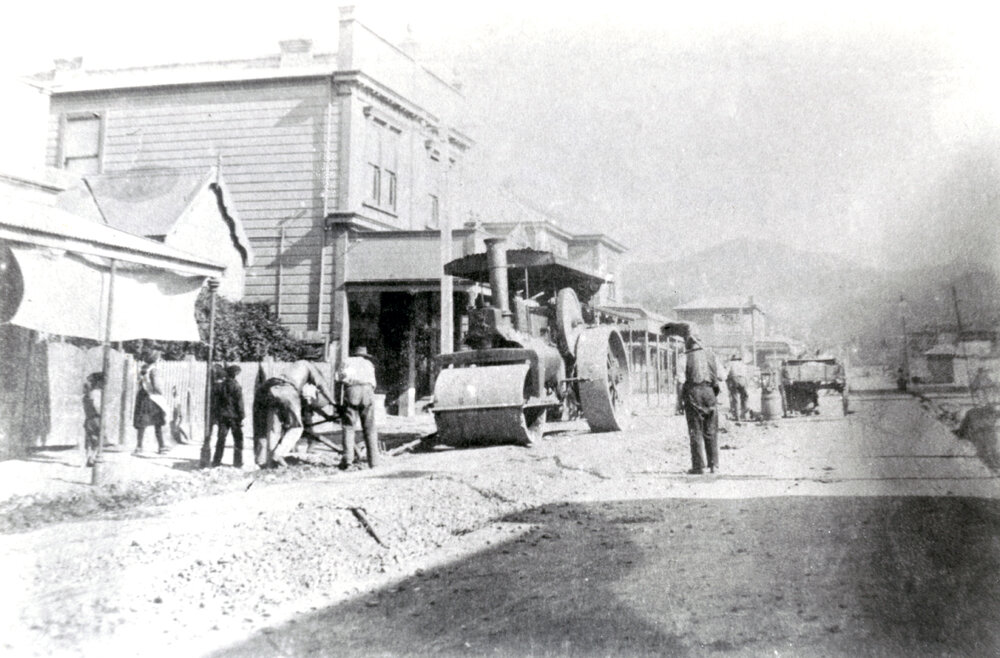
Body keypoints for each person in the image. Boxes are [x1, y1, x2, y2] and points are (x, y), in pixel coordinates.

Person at [259, 359, 336, 468]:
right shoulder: (309, 365)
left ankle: (268, 462)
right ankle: (278, 454)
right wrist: (334, 403)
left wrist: (326, 415)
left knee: (273, 428)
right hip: (287, 390)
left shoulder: (292, 367)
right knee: (297, 428)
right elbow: (321, 385)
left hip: (269, 389)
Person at [337, 345, 382, 469]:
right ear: (364, 355)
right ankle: (374, 462)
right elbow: (374, 383)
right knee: (370, 427)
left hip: (353, 390)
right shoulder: (369, 364)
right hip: (368, 390)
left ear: (354, 353)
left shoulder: (347, 361)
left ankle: (348, 460)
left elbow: (340, 378)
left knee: (349, 426)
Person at [682, 335, 721, 474]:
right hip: (710, 393)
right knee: (711, 430)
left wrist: (678, 402)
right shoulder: (712, 355)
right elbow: (721, 376)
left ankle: (699, 466)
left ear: (688, 344)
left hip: (694, 393)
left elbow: (680, 381)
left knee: (696, 430)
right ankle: (714, 465)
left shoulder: (684, 357)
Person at [133, 350, 169, 455]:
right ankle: (161, 446)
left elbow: (140, 383)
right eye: (159, 358)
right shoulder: (154, 370)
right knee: (158, 423)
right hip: (152, 398)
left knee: (142, 424)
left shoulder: (143, 369)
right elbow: (157, 386)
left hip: (143, 397)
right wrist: (161, 392)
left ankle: (139, 447)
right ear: (155, 359)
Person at [212, 365, 246, 468]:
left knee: (221, 439)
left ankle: (216, 461)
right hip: (235, 417)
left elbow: (216, 402)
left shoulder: (220, 386)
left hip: (223, 416)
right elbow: (239, 403)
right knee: (238, 439)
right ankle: (237, 463)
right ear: (235, 374)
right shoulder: (236, 386)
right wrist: (242, 416)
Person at [82, 372, 104, 467]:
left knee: (89, 438)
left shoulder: (87, 395)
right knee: (97, 438)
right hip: (96, 418)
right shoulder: (97, 393)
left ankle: (89, 457)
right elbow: (97, 406)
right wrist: (101, 413)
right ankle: (93, 457)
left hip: (88, 418)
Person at [726, 353, 749, 421]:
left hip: (734, 380)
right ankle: (744, 415)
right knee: (744, 397)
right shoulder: (742, 364)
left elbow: (726, 373)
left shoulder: (730, 363)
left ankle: (737, 416)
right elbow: (747, 374)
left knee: (735, 398)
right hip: (743, 380)